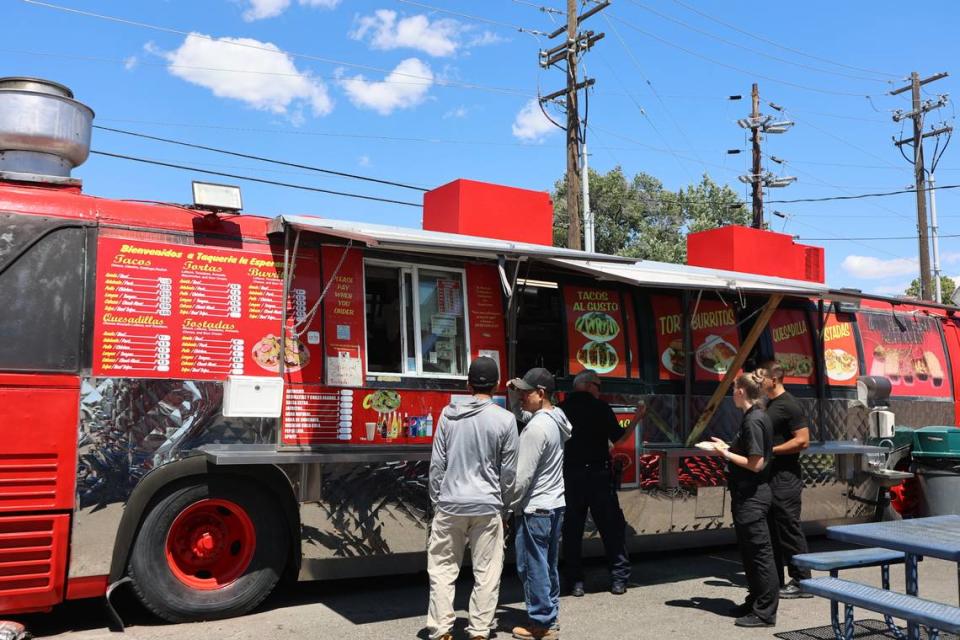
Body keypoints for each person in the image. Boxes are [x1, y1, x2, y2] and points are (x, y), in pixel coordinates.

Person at [426, 356, 519, 640]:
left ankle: (442, 630)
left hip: (450, 504)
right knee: (487, 572)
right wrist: (505, 506)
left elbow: (437, 465)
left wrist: (436, 502)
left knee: (442, 570)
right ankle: (479, 630)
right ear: (498, 385)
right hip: (487, 505)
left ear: (468, 385)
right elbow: (509, 472)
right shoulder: (505, 419)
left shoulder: (447, 415)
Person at [507, 368, 572, 640]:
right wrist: (512, 394)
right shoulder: (556, 418)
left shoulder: (536, 429)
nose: (521, 396)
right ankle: (550, 616)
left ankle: (542, 625)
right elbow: (524, 414)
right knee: (547, 566)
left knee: (531, 567)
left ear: (541, 393)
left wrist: (507, 507)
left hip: (535, 509)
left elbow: (522, 477)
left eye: (525, 392)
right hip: (555, 505)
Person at [710, 372, 778, 628]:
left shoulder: (753, 420)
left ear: (741, 392)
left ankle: (765, 612)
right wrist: (726, 446)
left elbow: (756, 463)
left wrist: (725, 453)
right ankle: (755, 601)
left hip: (753, 496)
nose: (731, 394)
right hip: (748, 495)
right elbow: (750, 451)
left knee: (760, 554)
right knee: (750, 554)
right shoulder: (754, 417)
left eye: (733, 389)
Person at [559, 369, 634, 597]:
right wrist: (638, 417)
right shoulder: (601, 408)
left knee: (572, 530)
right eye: (599, 386)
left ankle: (575, 582)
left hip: (570, 475)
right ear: (590, 385)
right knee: (611, 528)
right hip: (599, 476)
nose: (600, 391)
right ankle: (618, 579)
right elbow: (618, 438)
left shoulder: (560, 410)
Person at [759, 361, 813, 599]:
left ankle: (802, 581)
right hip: (771, 477)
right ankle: (778, 579)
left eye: (761, 377)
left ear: (774, 379)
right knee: (773, 530)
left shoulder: (789, 404)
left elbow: (802, 440)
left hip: (786, 479)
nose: (758, 382)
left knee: (789, 529)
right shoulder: (770, 404)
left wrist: (771, 450)